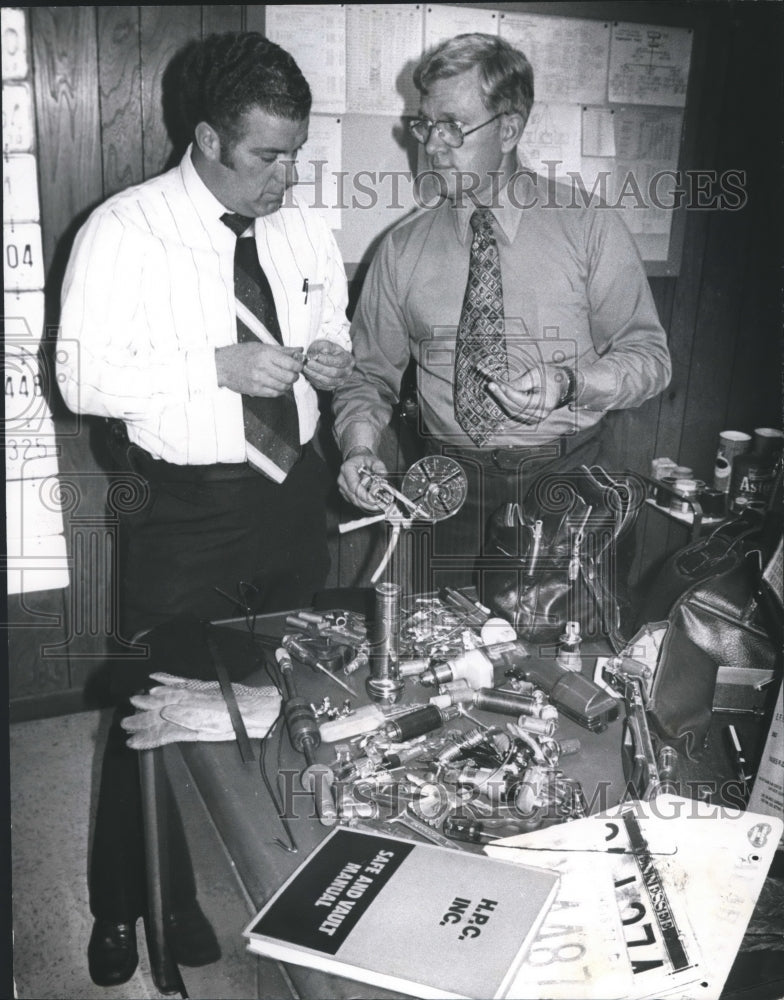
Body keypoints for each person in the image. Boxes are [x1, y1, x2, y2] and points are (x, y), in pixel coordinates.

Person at [57, 32, 353, 986]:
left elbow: (333, 324)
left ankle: (268, 875)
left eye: (295, 154)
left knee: (280, 700)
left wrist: (334, 358)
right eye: (268, 155)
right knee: (157, 711)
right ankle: (134, 903)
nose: (286, 176)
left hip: (291, 496)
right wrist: (212, 365)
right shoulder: (125, 229)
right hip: (187, 512)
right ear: (209, 139)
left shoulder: (304, 228)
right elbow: (79, 377)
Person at [333, 32, 671, 591]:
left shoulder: (588, 227)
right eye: (425, 125)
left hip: (564, 485)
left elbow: (650, 358)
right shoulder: (400, 250)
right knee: (445, 658)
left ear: (509, 129)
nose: (435, 144)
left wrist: (571, 382)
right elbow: (369, 375)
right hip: (448, 491)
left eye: (453, 125)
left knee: (561, 658)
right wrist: (360, 445)